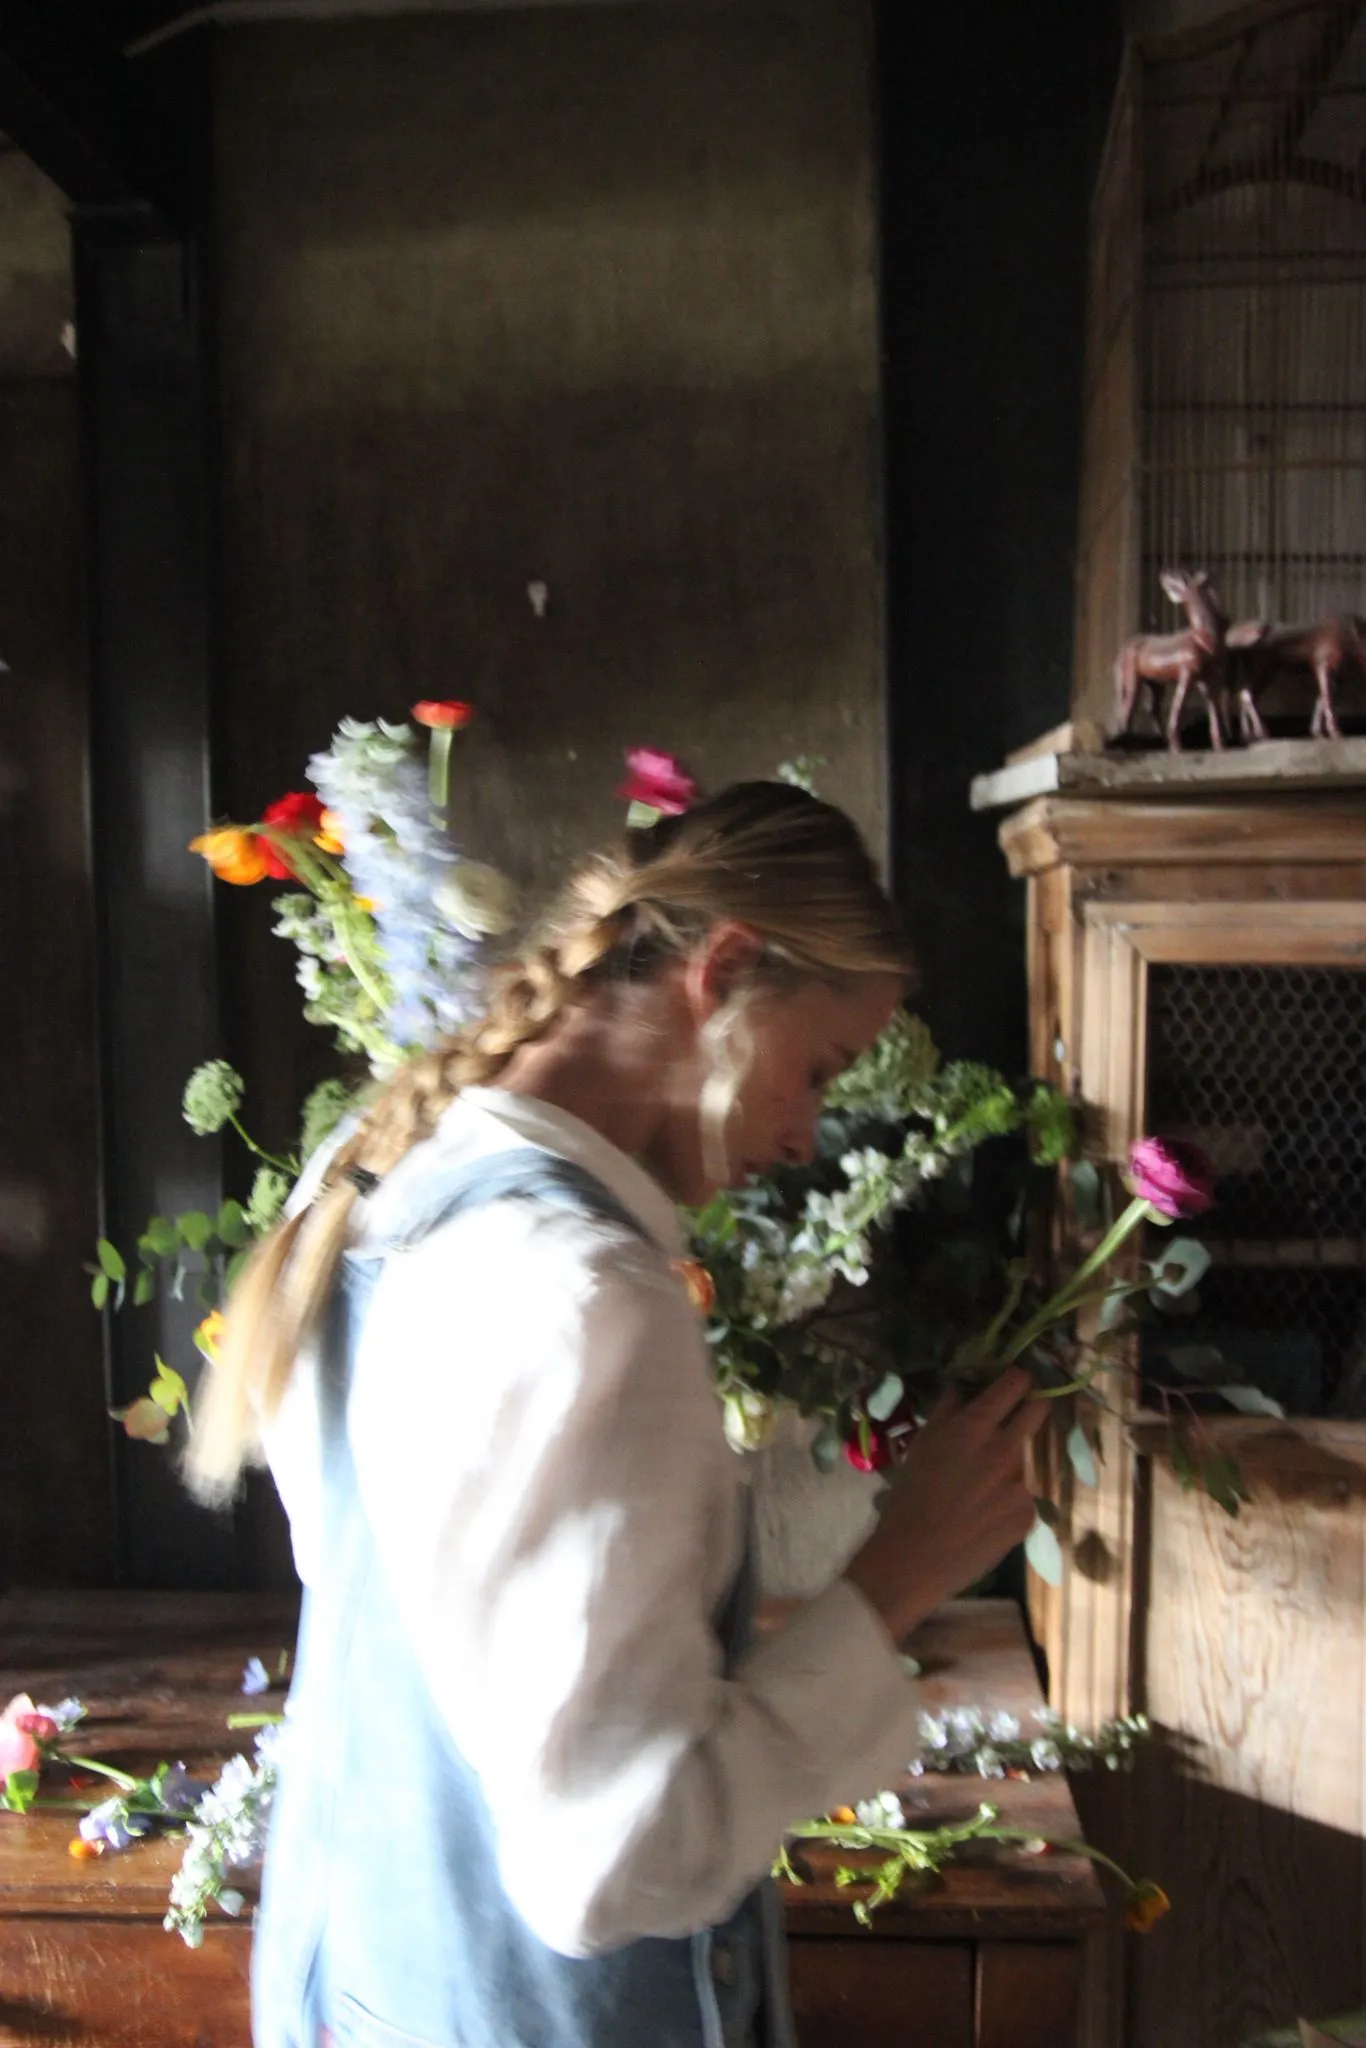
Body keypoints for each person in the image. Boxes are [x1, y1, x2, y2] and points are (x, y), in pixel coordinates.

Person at [189, 780, 1045, 2048]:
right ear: (727, 967)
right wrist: (898, 1578)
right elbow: (610, 1863)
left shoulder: (375, 1170)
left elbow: (430, 1660)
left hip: (356, 1978)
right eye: (819, 1069)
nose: (809, 1136)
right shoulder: (586, 1297)